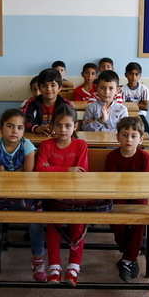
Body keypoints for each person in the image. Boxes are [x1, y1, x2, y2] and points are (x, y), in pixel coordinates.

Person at [0, 109, 46, 282]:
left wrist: (3, 171)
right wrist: (2, 173)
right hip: (3, 197)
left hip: (27, 197)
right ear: (1, 128)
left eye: (19, 127)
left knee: (37, 221)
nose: (15, 131)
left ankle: (38, 259)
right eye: (10, 126)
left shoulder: (27, 146)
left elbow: (27, 175)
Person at [35, 104, 89, 286]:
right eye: (58, 125)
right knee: (52, 228)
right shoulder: (46, 145)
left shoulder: (81, 145)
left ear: (75, 126)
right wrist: (68, 169)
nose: (63, 130)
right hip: (52, 196)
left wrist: (53, 169)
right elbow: (40, 169)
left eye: (68, 125)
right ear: (52, 126)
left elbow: (81, 172)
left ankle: (74, 266)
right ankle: (54, 267)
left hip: (76, 196)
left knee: (78, 226)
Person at [105, 116, 149, 281]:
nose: (129, 139)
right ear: (117, 137)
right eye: (125, 135)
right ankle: (132, 251)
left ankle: (128, 259)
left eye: (133, 136)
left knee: (139, 220)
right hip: (118, 197)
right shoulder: (112, 156)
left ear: (140, 139)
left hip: (138, 196)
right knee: (118, 221)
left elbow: (146, 183)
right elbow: (110, 183)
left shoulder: (144, 157)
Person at [23, 68, 70, 136]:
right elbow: (25, 121)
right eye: (44, 86)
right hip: (36, 139)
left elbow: (70, 123)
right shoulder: (31, 103)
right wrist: (36, 128)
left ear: (60, 88)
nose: (49, 89)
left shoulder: (66, 104)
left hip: (58, 138)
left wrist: (58, 129)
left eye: (53, 85)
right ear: (39, 88)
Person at [121, 62, 149, 135]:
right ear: (126, 75)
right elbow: (122, 106)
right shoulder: (122, 89)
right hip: (126, 114)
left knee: (145, 130)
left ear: (140, 76)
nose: (134, 77)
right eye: (131, 74)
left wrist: (130, 105)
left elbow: (146, 107)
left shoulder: (144, 89)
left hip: (140, 114)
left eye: (136, 74)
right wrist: (139, 104)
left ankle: (142, 144)